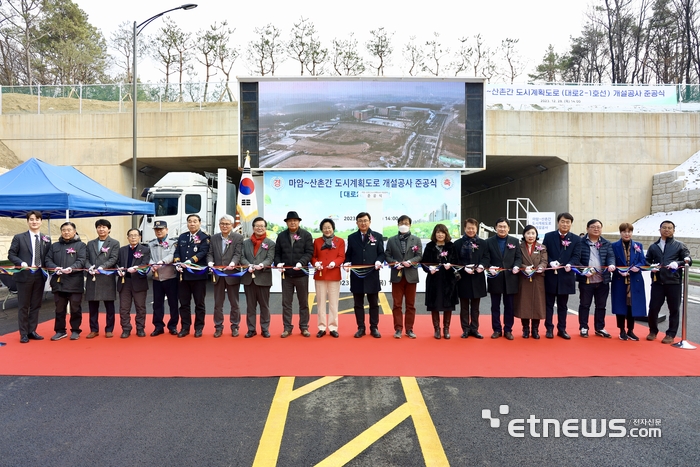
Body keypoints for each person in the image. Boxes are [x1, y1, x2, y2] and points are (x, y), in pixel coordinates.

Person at [645, 220, 692, 344]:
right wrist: (651, 266)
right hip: (657, 282)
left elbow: (688, 260)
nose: (667, 230)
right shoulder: (654, 246)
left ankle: (671, 334)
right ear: (659, 230)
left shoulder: (680, 245)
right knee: (653, 308)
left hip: (674, 282)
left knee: (674, 309)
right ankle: (653, 331)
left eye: (670, 228)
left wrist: (678, 263)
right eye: (664, 227)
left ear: (674, 230)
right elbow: (646, 261)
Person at [8, 210, 51, 343]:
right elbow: (11, 254)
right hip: (24, 275)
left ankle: (32, 330)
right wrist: (21, 262)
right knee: (24, 305)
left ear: (41, 221)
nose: (34, 222)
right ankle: (23, 333)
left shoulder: (46, 239)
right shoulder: (19, 237)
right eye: (31, 219)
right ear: (28, 221)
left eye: (37, 219)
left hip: (39, 275)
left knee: (36, 305)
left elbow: (48, 257)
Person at [344, 212, 385, 338]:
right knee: (358, 303)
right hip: (357, 275)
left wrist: (379, 260)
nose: (363, 223)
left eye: (365, 220)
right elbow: (348, 254)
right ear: (356, 223)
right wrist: (346, 263)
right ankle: (361, 327)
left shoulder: (377, 236)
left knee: (374, 303)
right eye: (360, 221)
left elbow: (381, 253)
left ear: (370, 222)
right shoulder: (352, 237)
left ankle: (374, 327)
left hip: (372, 274)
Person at [274, 211, 314, 338]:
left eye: (295, 220)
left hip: (301, 274)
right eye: (290, 220)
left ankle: (304, 327)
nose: (292, 222)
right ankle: (287, 327)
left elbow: (309, 252)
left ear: (299, 222)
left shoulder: (306, 235)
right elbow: (277, 253)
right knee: (286, 303)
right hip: (287, 275)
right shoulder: (281, 236)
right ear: (286, 222)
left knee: (303, 302)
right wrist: (278, 263)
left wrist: (301, 263)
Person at [542, 212, 582, 339]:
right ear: (558, 222)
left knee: (563, 305)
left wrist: (570, 264)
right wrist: (550, 262)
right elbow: (544, 252)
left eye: (568, 222)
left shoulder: (576, 239)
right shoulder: (549, 236)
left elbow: (576, 255)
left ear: (571, 224)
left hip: (566, 276)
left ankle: (562, 329)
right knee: (548, 305)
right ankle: (549, 328)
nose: (565, 224)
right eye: (563, 221)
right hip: (551, 276)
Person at [45, 222, 87, 341]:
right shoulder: (55, 246)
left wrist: (71, 268)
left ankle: (75, 330)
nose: (66, 232)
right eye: (64, 230)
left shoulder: (81, 245)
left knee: (75, 307)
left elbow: (81, 260)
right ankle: (60, 331)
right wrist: (54, 267)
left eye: (69, 230)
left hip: (75, 282)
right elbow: (47, 259)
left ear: (74, 231)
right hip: (58, 282)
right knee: (59, 308)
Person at [384, 215, 423, 339]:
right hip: (397, 275)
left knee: (411, 305)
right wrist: (394, 263)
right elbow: (387, 255)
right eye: (401, 223)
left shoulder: (416, 240)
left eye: (406, 223)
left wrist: (411, 262)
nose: (403, 225)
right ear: (398, 225)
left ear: (410, 225)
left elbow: (419, 255)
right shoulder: (391, 240)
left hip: (411, 275)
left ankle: (410, 329)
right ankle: (398, 329)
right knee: (397, 304)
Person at [576, 219, 616, 338]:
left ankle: (600, 327)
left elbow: (610, 256)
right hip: (587, 280)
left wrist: (611, 264)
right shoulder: (580, 242)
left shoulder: (606, 243)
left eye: (599, 227)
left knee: (601, 305)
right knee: (584, 304)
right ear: (587, 228)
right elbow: (576, 259)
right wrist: (584, 270)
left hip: (602, 279)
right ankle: (583, 327)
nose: (596, 229)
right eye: (593, 227)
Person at [206, 214, 244, 338]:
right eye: (222, 223)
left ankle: (235, 326)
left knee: (234, 303)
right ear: (219, 225)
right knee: (218, 303)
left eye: (227, 224)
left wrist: (233, 263)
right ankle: (218, 327)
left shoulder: (238, 237)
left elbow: (238, 253)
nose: (224, 226)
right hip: (218, 275)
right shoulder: (214, 238)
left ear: (232, 225)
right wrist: (210, 262)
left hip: (232, 274)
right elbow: (210, 253)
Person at [174, 214, 210, 338]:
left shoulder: (205, 237)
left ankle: (199, 328)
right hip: (183, 276)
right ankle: (185, 327)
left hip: (198, 276)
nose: (192, 224)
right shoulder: (183, 237)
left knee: (199, 303)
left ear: (200, 223)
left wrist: (190, 261)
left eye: (195, 221)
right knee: (184, 303)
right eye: (190, 221)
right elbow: (177, 251)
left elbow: (202, 252)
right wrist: (178, 262)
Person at [485, 218, 522, 340]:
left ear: (508, 228)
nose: (502, 229)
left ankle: (508, 330)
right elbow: (486, 258)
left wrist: (517, 265)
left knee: (509, 306)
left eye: (504, 226)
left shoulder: (515, 241)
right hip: (495, 277)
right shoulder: (489, 242)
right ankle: (496, 329)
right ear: (495, 227)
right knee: (495, 306)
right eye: (500, 226)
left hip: (510, 278)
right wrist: (489, 267)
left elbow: (518, 257)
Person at [453, 218, 490, 339]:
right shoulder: (458, 244)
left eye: (473, 228)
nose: (471, 230)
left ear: (477, 229)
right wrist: (464, 268)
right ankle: (465, 329)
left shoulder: (483, 243)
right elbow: (454, 260)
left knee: (475, 307)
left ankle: (474, 328)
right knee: (464, 307)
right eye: (468, 228)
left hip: (477, 278)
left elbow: (486, 257)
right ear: (464, 228)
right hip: (463, 278)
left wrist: (481, 265)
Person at [421, 224, 459, 339]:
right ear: (434, 234)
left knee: (448, 305)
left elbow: (457, 262)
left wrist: (451, 265)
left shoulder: (451, 246)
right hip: (434, 279)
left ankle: (446, 328)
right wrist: (429, 269)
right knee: (434, 304)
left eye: (442, 232)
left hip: (448, 280)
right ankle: (436, 329)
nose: (440, 234)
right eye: (438, 232)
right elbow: (424, 263)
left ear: (446, 233)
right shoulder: (429, 246)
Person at [611, 222, 647, 341]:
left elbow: (643, 261)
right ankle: (621, 330)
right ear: (620, 232)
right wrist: (617, 271)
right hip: (619, 279)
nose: (627, 234)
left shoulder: (638, 245)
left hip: (634, 279)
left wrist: (638, 266)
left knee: (633, 305)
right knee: (621, 304)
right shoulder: (614, 246)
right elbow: (611, 262)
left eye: (629, 231)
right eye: (624, 231)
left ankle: (631, 330)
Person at [240, 217, 275, 338]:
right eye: (257, 226)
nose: (259, 228)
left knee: (264, 306)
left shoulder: (270, 243)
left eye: (262, 226)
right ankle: (251, 329)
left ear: (265, 227)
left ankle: (265, 329)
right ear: (253, 227)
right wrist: (248, 265)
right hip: (249, 279)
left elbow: (270, 258)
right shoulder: (245, 243)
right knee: (250, 306)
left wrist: (262, 265)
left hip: (263, 278)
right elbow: (241, 257)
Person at [84, 219, 119, 339]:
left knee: (109, 306)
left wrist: (102, 267)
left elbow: (113, 258)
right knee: (92, 306)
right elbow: (86, 258)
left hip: (106, 277)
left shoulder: (114, 243)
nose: (101, 229)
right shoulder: (90, 243)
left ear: (109, 229)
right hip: (92, 277)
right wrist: (90, 267)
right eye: (99, 227)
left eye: (104, 227)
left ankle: (109, 329)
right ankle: (94, 329)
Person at [311, 218, 345, 338]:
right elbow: (313, 256)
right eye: (324, 228)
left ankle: (333, 327)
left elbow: (341, 256)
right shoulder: (317, 241)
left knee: (333, 303)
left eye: (329, 227)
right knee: (320, 303)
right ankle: (321, 327)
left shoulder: (339, 241)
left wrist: (334, 263)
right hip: (320, 275)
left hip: (334, 274)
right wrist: (315, 263)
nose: (327, 230)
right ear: (321, 229)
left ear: (333, 228)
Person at [514, 225, 548, 339]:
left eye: (533, 233)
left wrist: (541, 267)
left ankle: (535, 329)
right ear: (524, 235)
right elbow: (516, 260)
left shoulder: (541, 247)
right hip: (524, 278)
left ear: (536, 235)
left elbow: (544, 261)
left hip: (537, 279)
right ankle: (525, 329)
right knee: (525, 304)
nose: (530, 236)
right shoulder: (519, 247)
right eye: (528, 233)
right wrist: (524, 267)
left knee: (537, 304)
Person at [116, 229, 151, 338]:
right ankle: (126, 328)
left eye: (135, 235)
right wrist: (119, 269)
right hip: (124, 281)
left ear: (139, 237)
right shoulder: (122, 250)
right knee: (124, 307)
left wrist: (137, 268)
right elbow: (117, 263)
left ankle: (140, 328)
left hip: (139, 281)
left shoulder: (145, 249)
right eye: (131, 235)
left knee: (140, 307)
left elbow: (145, 263)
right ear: (127, 237)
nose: (133, 237)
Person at [148, 220, 179, 336]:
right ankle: (158, 326)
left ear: (166, 229)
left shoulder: (173, 243)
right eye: (157, 230)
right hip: (157, 278)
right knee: (157, 304)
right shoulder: (151, 243)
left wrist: (161, 262)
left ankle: (173, 326)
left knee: (173, 303)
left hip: (170, 277)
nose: (159, 231)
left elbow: (172, 255)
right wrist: (152, 264)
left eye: (161, 229)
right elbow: (148, 256)